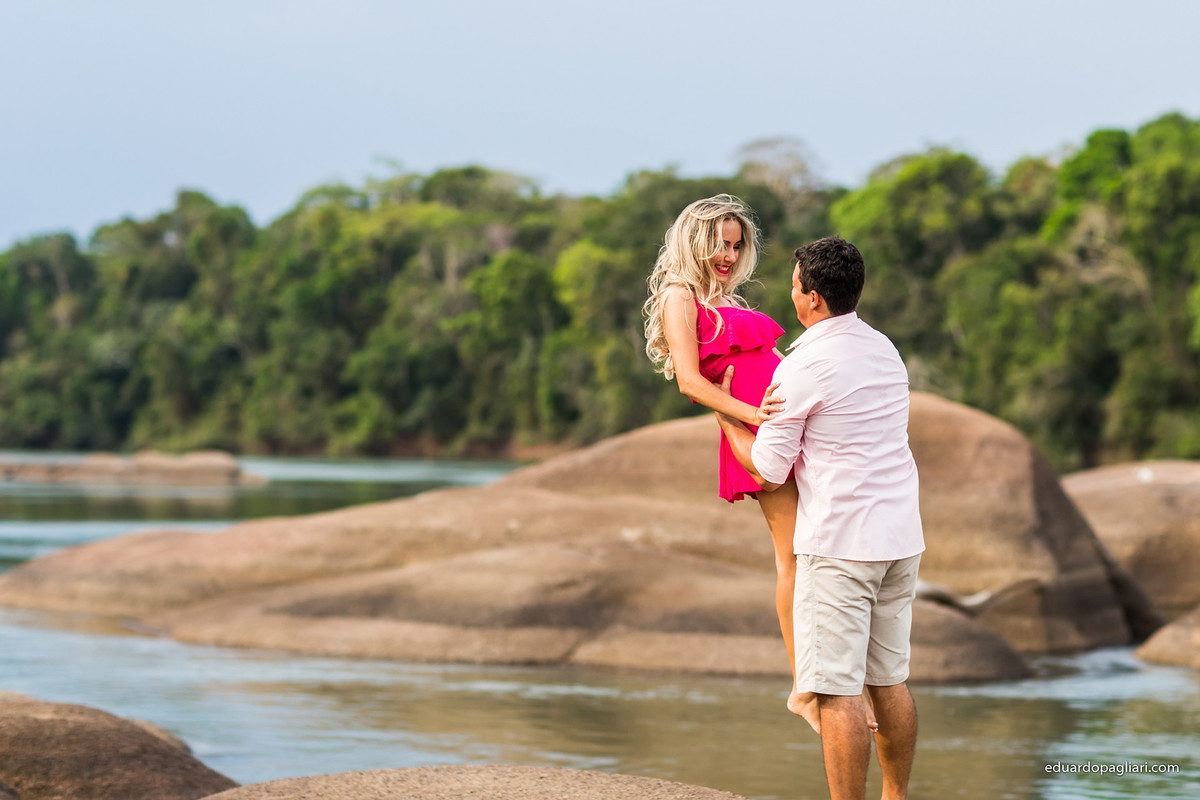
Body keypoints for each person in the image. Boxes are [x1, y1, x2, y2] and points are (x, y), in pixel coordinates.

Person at [642, 195, 874, 733]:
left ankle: (834, 677)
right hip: (757, 434)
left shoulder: (731, 297)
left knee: (819, 548)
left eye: (736, 244)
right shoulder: (681, 296)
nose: (728, 254)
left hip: (787, 429)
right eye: (719, 243)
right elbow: (691, 382)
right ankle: (806, 691)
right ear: (693, 241)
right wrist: (753, 417)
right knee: (794, 557)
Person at [714, 236, 924, 800]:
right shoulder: (885, 348)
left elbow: (767, 472)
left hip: (840, 546)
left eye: (792, 285)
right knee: (889, 681)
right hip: (901, 538)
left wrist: (726, 416)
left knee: (836, 694)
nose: (791, 294)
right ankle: (896, 797)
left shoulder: (803, 365)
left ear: (810, 298)